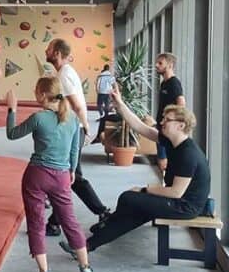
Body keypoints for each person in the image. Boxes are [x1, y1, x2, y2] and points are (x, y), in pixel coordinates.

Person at [61, 83, 210, 256]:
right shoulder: (172, 142)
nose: (161, 122)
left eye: (166, 120)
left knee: (129, 198)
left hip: (185, 206)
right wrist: (119, 104)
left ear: (181, 126)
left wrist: (144, 189)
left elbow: (176, 192)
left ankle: (102, 229)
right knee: (135, 210)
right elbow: (140, 127)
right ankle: (87, 246)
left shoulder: (188, 154)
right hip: (176, 201)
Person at [5, 80, 93, 272]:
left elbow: (12, 134)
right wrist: (71, 170)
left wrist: (12, 109)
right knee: (69, 221)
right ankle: (85, 266)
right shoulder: (72, 119)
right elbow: (74, 150)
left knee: (36, 223)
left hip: (36, 174)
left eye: (36, 91)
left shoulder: (38, 118)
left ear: (43, 95)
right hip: (62, 175)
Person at [44, 39, 111, 235]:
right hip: (74, 129)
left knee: (73, 176)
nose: (46, 51)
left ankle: (102, 212)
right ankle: (54, 223)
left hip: (74, 130)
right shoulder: (65, 72)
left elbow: (77, 105)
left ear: (56, 53)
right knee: (67, 176)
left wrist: (86, 128)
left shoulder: (64, 75)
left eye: (48, 49)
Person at [154, 52, 185, 173]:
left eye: (160, 63)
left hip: (169, 129)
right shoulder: (164, 83)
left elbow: (181, 103)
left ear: (170, 65)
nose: (156, 65)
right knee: (161, 160)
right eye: (157, 62)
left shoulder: (174, 83)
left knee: (164, 161)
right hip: (161, 126)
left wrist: (174, 123)